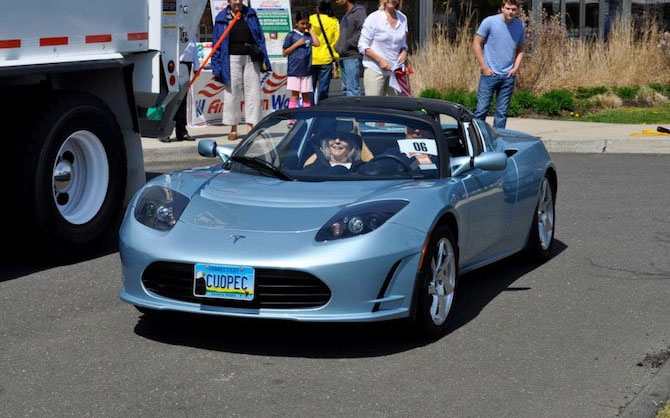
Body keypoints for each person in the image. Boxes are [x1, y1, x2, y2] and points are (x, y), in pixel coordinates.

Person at [211, 0, 272, 141]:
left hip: (251, 57)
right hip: (231, 58)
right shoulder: (221, 18)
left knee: (253, 91)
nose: (237, 2)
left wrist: (263, 56)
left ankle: (251, 126)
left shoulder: (250, 14)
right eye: (234, 0)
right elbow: (217, 43)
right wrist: (216, 66)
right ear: (229, 1)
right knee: (232, 93)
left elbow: (260, 37)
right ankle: (233, 128)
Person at [472, 0, 525, 129]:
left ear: (517, 10)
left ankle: (498, 140)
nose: (510, 12)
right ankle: (477, 140)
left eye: (513, 9)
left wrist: (515, 68)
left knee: (501, 114)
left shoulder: (520, 26)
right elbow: (476, 43)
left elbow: (521, 49)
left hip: (508, 76)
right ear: (502, 8)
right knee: (481, 110)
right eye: (508, 8)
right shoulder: (489, 22)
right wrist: (484, 67)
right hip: (490, 74)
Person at [357, 0, 408, 96]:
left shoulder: (403, 18)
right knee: (374, 107)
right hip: (375, 70)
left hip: (394, 72)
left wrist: (404, 51)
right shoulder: (374, 18)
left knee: (394, 107)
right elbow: (362, 45)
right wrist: (380, 60)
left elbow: (403, 42)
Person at [283, 12, 320, 109]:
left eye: (306, 24)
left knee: (306, 97)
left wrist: (311, 30)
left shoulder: (308, 35)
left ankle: (306, 118)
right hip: (295, 71)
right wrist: (297, 44)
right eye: (302, 24)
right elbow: (285, 52)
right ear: (296, 23)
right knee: (295, 96)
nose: (304, 26)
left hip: (306, 71)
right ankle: (292, 119)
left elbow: (317, 43)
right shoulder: (291, 35)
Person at [166, 39, 200, 143]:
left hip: (186, 60)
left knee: (183, 97)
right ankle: (166, 131)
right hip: (170, 58)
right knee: (170, 95)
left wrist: (196, 63)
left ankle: (181, 130)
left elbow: (192, 42)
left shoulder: (189, 24)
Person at [310, 1, 340, 104]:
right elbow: (337, 40)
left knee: (310, 87)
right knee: (324, 86)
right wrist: (336, 57)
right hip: (326, 58)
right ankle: (321, 107)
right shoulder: (333, 21)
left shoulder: (311, 19)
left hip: (312, 57)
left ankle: (309, 107)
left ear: (318, 8)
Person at [334, 0, 366, 96]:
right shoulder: (346, 14)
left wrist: (349, 44)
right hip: (343, 55)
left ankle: (355, 110)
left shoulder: (359, 12)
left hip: (352, 55)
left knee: (352, 89)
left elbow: (363, 31)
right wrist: (338, 46)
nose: (336, 2)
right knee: (345, 89)